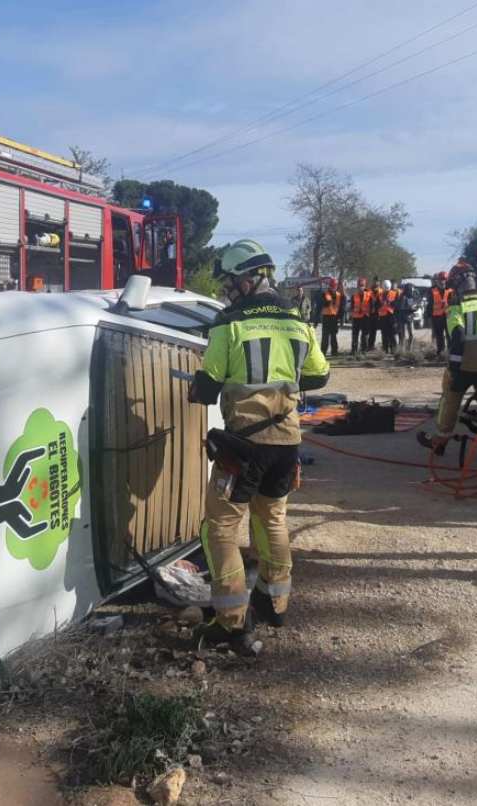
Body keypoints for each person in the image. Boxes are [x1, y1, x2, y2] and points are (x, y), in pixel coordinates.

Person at [189, 239, 330, 652]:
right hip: (286, 443)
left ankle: (231, 622)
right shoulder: (295, 319)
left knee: (220, 527)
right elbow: (320, 376)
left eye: (230, 282)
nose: (227, 291)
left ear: (248, 279)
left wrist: (197, 390)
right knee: (272, 520)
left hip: (242, 448)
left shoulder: (229, 323)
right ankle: (275, 603)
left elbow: (208, 385)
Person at [418, 261, 477, 454]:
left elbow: (458, 337)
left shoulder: (458, 305)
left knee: (450, 400)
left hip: (464, 366)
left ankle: (440, 441)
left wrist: (454, 367)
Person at [430, 270, 453, 356]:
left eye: (444, 279)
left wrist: (447, 303)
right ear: (438, 280)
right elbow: (429, 304)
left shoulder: (451, 291)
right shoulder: (432, 290)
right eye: (441, 279)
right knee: (439, 336)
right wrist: (429, 316)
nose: (442, 281)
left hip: (448, 316)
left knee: (449, 335)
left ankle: (450, 352)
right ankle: (440, 352)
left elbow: (454, 303)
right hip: (436, 317)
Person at [320, 278, 344, 357]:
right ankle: (323, 352)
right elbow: (323, 304)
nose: (333, 288)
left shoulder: (338, 295)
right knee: (325, 336)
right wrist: (327, 301)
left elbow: (340, 308)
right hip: (326, 317)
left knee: (333, 336)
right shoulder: (325, 294)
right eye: (332, 286)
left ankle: (334, 352)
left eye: (334, 286)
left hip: (334, 318)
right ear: (329, 286)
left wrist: (341, 320)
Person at [350, 277, 372, 356]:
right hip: (356, 318)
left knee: (364, 335)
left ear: (365, 286)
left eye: (362, 285)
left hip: (365, 317)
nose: (360, 287)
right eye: (359, 285)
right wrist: (351, 316)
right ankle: (354, 351)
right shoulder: (354, 296)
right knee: (355, 335)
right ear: (357, 286)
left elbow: (372, 306)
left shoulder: (369, 295)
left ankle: (363, 351)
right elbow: (352, 307)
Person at [377, 279, 400, 353]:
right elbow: (376, 305)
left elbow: (397, 305)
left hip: (391, 316)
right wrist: (381, 304)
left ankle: (394, 350)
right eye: (385, 288)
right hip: (383, 317)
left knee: (392, 334)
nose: (386, 290)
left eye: (387, 288)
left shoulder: (394, 293)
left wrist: (390, 303)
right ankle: (385, 350)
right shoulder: (380, 295)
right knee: (384, 334)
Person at [396, 284, 419, 351]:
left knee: (411, 335)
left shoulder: (411, 297)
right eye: (411, 289)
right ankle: (402, 349)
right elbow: (402, 308)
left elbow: (413, 305)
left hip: (409, 318)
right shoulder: (403, 297)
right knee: (403, 335)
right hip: (403, 318)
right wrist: (411, 309)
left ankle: (409, 349)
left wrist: (415, 308)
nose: (412, 290)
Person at [366, 277, 383, 351]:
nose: (376, 283)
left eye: (377, 281)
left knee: (374, 331)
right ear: (373, 282)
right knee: (367, 330)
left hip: (377, 314)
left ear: (379, 282)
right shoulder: (368, 291)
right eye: (375, 281)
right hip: (369, 313)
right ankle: (365, 345)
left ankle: (371, 346)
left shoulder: (381, 291)